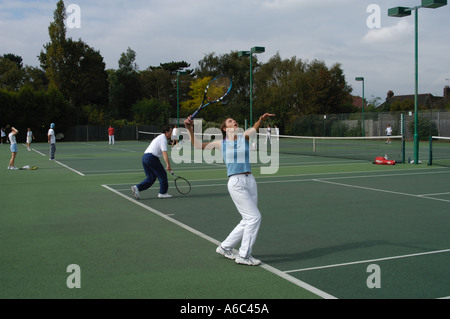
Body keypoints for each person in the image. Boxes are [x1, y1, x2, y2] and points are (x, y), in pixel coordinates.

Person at [184, 112, 275, 266]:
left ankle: (225, 247)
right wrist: (189, 129)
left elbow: (254, 128)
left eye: (234, 120)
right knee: (254, 217)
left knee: (248, 219)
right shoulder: (221, 143)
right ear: (225, 129)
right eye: (230, 121)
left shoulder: (244, 137)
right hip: (236, 182)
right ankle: (244, 255)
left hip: (250, 181)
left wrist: (261, 119)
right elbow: (197, 146)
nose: (234, 122)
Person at [131, 126, 174, 200]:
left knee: (151, 178)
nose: (171, 133)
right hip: (151, 158)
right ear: (166, 132)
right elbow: (164, 153)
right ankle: (162, 193)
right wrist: (168, 165)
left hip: (145, 157)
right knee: (162, 174)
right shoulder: (163, 138)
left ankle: (137, 188)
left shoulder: (159, 137)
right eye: (170, 131)